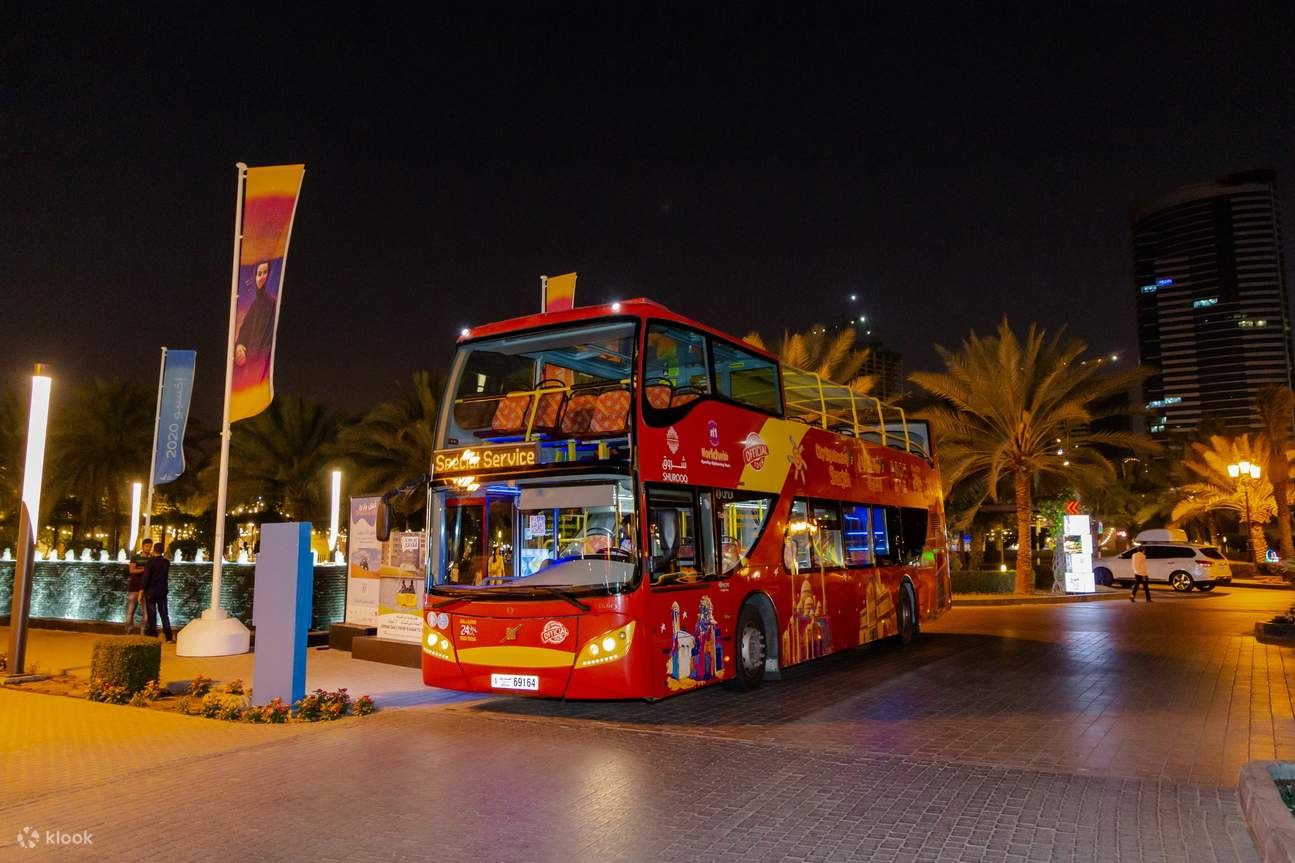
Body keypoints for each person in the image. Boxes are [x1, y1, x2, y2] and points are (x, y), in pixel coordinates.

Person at [234, 260, 276, 369]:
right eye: (259, 274)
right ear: (255, 277)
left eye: (265, 272)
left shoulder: (272, 303)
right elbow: (245, 328)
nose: (262, 277)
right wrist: (240, 346)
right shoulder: (254, 305)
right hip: (251, 363)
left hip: (261, 364)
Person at [141, 541, 173, 641]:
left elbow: (146, 578)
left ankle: (153, 635)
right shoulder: (166, 562)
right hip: (162, 591)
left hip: (151, 591)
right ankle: (168, 636)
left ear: (154, 549)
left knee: (152, 614)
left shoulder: (150, 562)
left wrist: (141, 590)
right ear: (162, 551)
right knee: (164, 614)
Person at [124, 538, 153, 634]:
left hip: (147, 589)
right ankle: (128, 630)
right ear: (143, 546)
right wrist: (144, 569)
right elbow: (131, 570)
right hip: (134, 588)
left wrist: (140, 569)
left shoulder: (152, 559)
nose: (148, 548)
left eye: (150, 546)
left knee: (147, 614)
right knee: (130, 612)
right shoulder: (135, 557)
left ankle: (142, 631)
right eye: (147, 546)